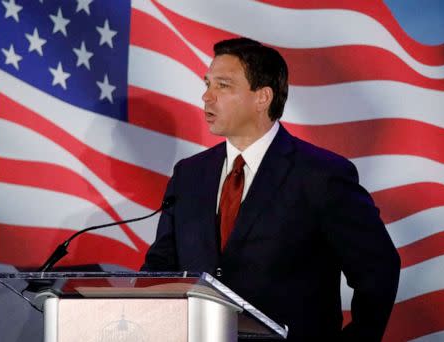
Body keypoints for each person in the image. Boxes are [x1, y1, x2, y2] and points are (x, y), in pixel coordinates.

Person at [141, 37, 400, 341]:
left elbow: (378, 271)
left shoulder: (321, 175)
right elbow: (160, 270)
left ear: (262, 97)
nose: (206, 97)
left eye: (222, 86)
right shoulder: (189, 174)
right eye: (207, 83)